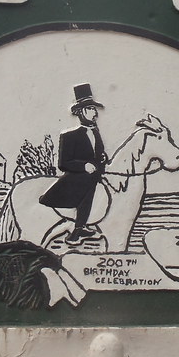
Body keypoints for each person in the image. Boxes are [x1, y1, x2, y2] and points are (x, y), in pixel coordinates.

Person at [39, 83, 108, 245]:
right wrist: (83, 166)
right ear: (81, 112)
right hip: (77, 178)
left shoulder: (96, 132)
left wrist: (102, 158)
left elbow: (97, 155)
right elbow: (64, 163)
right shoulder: (70, 136)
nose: (95, 113)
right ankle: (77, 231)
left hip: (95, 175)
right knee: (86, 188)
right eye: (91, 109)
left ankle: (83, 226)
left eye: (94, 109)